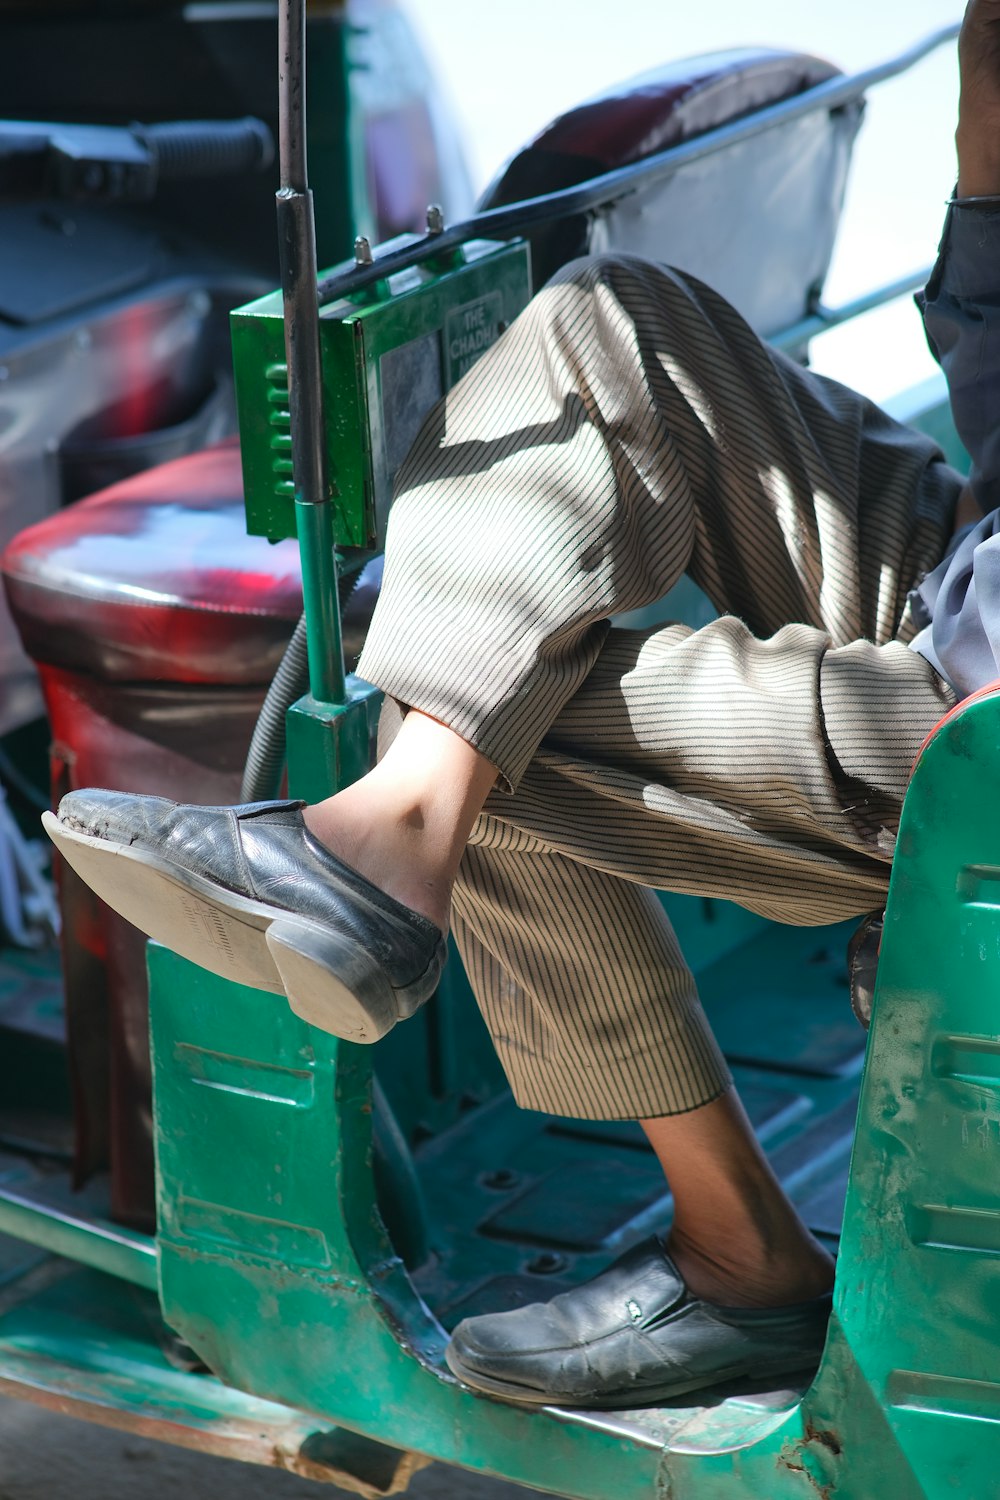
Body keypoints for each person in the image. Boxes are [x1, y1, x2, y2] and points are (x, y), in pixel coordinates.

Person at [44, 0, 1000, 1411]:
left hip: (972, 737)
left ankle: (737, 1254)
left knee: (482, 704)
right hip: (967, 581)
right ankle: (390, 843)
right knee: (616, 331)